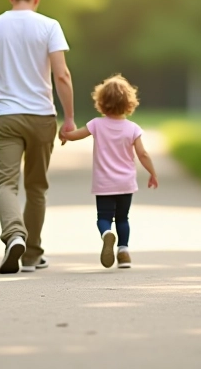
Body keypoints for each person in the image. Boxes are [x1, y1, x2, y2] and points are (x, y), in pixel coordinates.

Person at [0, 0, 76, 274]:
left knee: (5, 183)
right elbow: (62, 74)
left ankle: (14, 234)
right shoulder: (49, 26)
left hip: (5, 117)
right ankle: (31, 255)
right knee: (36, 187)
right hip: (42, 116)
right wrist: (69, 117)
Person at [61, 74, 158, 268]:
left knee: (104, 218)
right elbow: (143, 154)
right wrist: (152, 173)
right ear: (129, 102)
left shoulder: (96, 124)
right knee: (123, 218)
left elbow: (75, 135)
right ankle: (123, 252)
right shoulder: (133, 129)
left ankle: (106, 234)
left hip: (104, 183)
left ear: (101, 102)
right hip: (125, 184)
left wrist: (64, 134)